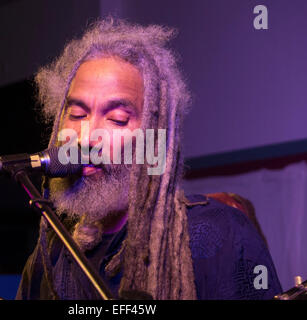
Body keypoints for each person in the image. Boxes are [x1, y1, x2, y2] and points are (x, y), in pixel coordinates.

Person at [16, 18, 282, 300]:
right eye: (78, 114)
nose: (86, 137)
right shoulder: (50, 254)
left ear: (153, 139)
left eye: (117, 119)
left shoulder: (221, 234)